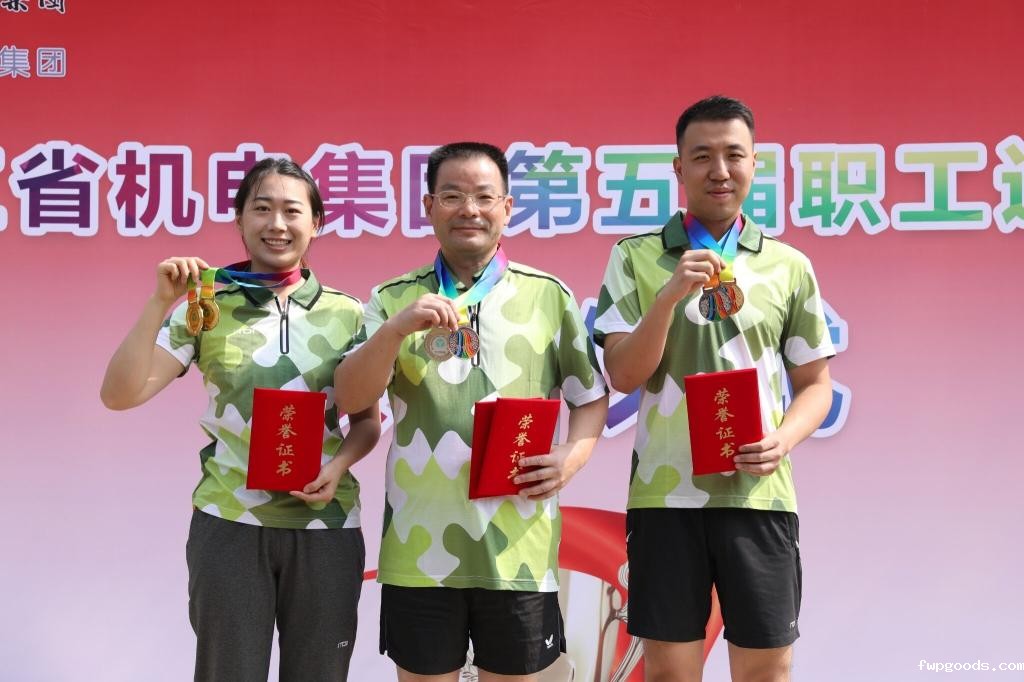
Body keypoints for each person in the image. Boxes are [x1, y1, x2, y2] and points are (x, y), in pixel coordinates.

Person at [335, 142, 609, 682]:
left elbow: (590, 395)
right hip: (419, 548)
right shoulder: (392, 298)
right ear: (428, 206)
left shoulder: (548, 296)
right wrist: (394, 331)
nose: (470, 209)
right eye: (453, 196)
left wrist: (572, 457)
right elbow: (350, 396)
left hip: (518, 548)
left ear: (507, 207)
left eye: (485, 196)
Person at [100, 157, 379, 682]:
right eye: (262, 209)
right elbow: (120, 395)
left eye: (292, 211)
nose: (277, 224)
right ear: (240, 220)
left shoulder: (349, 313)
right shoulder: (205, 306)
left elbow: (366, 423)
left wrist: (338, 466)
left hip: (326, 526)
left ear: (317, 223)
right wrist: (160, 302)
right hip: (229, 524)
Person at [593, 96, 835, 682]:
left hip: (758, 495)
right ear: (678, 167)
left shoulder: (788, 265)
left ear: (755, 163)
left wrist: (782, 440)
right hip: (664, 498)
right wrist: (668, 298)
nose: (719, 171)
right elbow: (623, 374)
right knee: (670, 671)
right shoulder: (635, 256)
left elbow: (815, 385)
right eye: (702, 156)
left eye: (733, 155)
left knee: (766, 667)